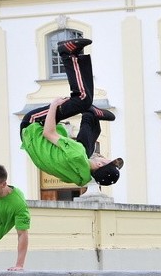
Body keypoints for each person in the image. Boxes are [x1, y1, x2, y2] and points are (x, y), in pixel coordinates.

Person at [19, 38, 123, 188]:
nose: (106, 157)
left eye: (107, 160)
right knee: (87, 147)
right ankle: (91, 114)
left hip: (33, 125)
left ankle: (67, 53)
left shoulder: (77, 153)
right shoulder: (80, 175)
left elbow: (49, 133)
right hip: (31, 141)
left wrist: (54, 106)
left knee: (82, 100)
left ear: (100, 163)